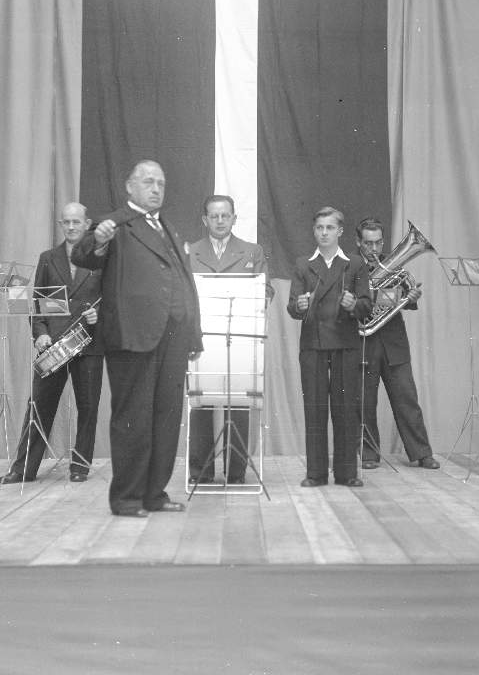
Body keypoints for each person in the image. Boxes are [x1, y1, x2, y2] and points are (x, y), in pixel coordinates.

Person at [72, 160, 202, 518]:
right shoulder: (114, 224)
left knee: (165, 417)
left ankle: (153, 494)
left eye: (161, 182)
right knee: (133, 418)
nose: (156, 188)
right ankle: (127, 498)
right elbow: (82, 254)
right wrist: (98, 241)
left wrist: (193, 333)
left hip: (172, 338)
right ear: (130, 187)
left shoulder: (169, 229)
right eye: (148, 182)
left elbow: (184, 284)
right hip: (133, 337)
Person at [0, 203, 104, 484]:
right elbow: (37, 302)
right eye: (66, 222)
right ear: (61, 224)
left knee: (88, 408)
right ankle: (23, 470)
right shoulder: (48, 258)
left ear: (87, 223)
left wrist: (101, 316)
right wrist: (40, 334)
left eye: (76, 222)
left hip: (89, 343)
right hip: (53, 345)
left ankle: (80, 468)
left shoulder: (101, 258)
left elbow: (112, 300)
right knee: (38, 406)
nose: (71, 227)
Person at [185, 195, 269, 485]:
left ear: (234, 218)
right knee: (201, 401)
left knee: (239, 403)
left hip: (240, 337)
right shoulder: (191, 252)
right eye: (214, 216)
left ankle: (236, 473)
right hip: (202, 338)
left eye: (225, 216)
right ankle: (201, 472)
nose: (220, 221)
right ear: (204, 220)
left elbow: (265, 291)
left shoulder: (251, 251)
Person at [287, 207, 372, 489]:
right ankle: (316, 473)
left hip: (345, 344)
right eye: (319, 227)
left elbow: (366, 306)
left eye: (329, 228)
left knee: (346, 408)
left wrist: (353, 305)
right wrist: (298, 307)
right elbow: (292, 306)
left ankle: (347, 473)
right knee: (314, 409)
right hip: (312, 344)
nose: (324, 232)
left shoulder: (355, 264)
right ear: (314, 231)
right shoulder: (303, 264)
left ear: (340, 231)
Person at [354, 217, 438, 472]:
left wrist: (412, 296)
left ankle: (422, 453)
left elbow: (407, 298)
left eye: (378, 242)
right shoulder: (349, 267)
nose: (374, 249)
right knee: (364, 402)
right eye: (368, 243)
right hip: (363, 342)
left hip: (394, 343)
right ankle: (369, 454)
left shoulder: (394, 266)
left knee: (407, 399)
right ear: (358, 242)